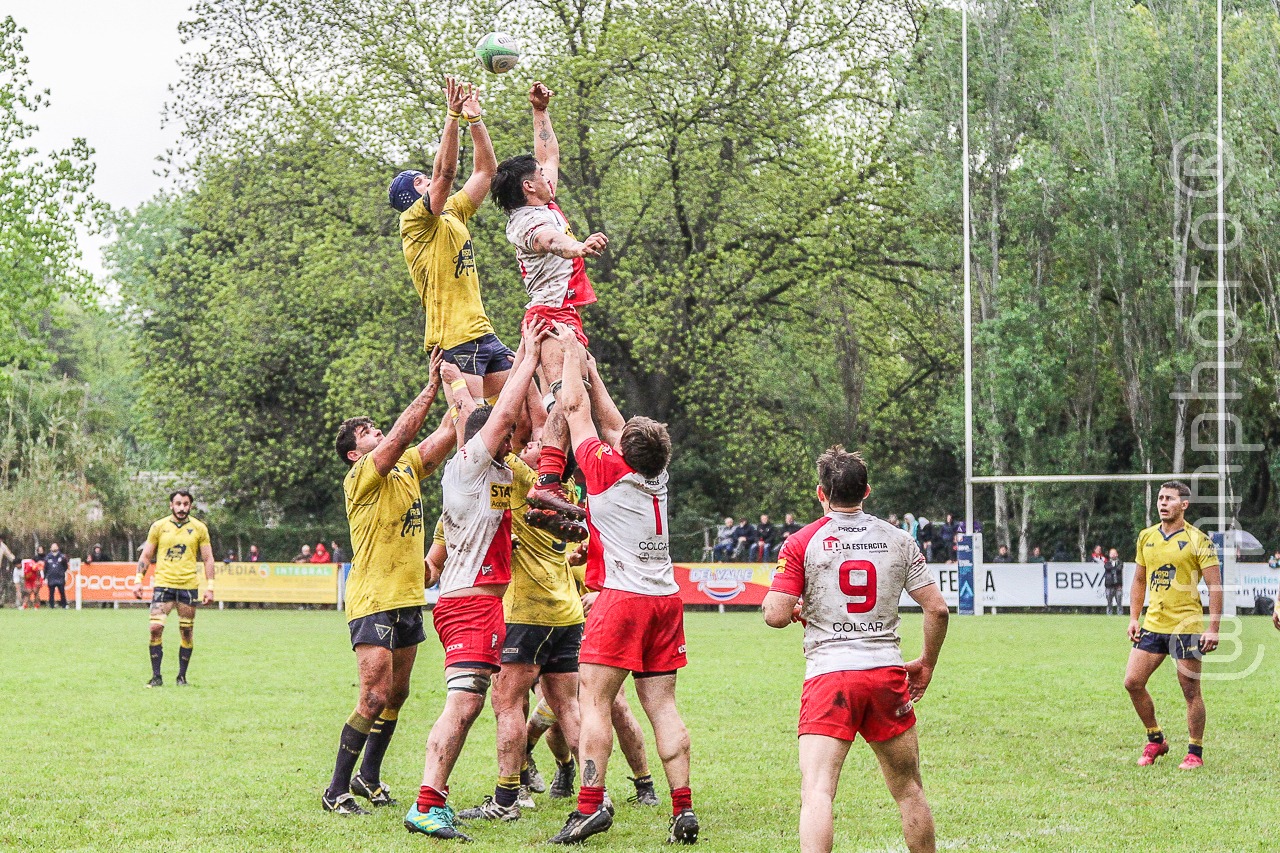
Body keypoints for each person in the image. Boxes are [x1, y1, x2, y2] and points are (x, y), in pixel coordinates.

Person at [544, 325, 698, 845]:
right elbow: (614, 423)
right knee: (663, 707)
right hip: (665, 600)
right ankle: (683, 808)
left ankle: (589, 806)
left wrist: (569, 356)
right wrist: (593, 370)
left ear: (624, 449)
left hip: (622, 601)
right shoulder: (659, 475)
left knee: (594, 704)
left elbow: (575, 412)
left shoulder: (606, 472)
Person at [762, 446, 949, 853]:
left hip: (830, 675)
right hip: (885, 673)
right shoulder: (899, 539)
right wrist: (927, 664)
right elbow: (937, 608)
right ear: (867, 491)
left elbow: (775, 615)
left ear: (820, 493)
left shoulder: (802, 541)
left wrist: (794, 604)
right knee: (909, 791)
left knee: (818, 792)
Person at [403, 321, 545, 842]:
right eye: (509, 436)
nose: (518, 439)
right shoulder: (468, 467)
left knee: (471, 703)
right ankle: (426, 802)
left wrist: (453, 376)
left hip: (482, 606)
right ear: (490, 438)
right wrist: (526, 355)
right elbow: (499, 413)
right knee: (462, 704)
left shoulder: (500, 473)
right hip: (466, 604)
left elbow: (512, 415)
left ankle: (432, 801)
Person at [323, 349, 456, 816]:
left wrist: (468, 387)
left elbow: (447, 434)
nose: (376, 431)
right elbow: (402, 435)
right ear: (354, 454)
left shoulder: (406, 468)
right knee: (373, 695)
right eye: (366, 433)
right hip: (372, 599)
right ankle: (335, 788)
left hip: (407, 598)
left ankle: (368, 777)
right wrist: (431, 387)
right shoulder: (361, 476)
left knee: (397, 695)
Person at [453, 422, 590, 823]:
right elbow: (553, 426)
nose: (530, 443)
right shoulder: (564, 492)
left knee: (507, 702)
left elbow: (478, 433)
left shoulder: (516, 476)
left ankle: (506, 799)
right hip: (567, 612)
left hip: (526, 611)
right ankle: (593, 794)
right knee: (568, 707)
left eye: (536, 444)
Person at [490, 81, 608, 524]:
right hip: (549, 319)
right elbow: (552, 241)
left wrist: (539, 111)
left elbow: (550, 155)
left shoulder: (542, 197)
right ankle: (548, 484)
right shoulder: (526, 222)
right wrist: (579, 248)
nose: (546, 174)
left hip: (564, 316)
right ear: (528, 186)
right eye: (538, 175)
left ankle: (561, 494)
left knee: (586, 397)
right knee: (565, 401)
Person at [389, 76, 504, 404]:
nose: (431, 180)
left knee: (523, 413)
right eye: (421, 181)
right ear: (412, 196)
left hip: (482, 331)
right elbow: (446, 174)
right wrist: (452, 116)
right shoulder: (413, 222)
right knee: (473, 426)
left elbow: (486, 172)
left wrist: (475, 120)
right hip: (453, 340)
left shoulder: (452, 212)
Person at [1124, 481, 1222, 770]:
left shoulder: (1198, 540)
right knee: (1132, 682)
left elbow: (1214, 587)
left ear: (1184, 505)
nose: (1163, 503)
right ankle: (1155, 739)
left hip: (1186, 626)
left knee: (1190, 691)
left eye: (1169, 498)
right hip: (1153, 623)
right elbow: (1140, 580)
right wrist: (1133, 617)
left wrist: (1213, 628)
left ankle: (1195, 751)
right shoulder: (1146, 537)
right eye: (1160, 498)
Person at [134, 489, 216, 687]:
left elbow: (208, 558)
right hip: (163, 585)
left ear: (190, 506)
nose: (182, 508)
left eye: (185, 504)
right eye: (178, 504)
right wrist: (138, 579)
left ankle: (182, 677)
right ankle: (156, 677)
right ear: (171, 505)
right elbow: (146, 556)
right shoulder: (159, 526)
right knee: (155, 628)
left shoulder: (199, 528)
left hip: (188, 586)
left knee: (186, 632)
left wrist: (210, 586)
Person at [42, 542, 69, 608]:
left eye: (55, 546)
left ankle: (64, 605)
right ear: (50, 548)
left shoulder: (62, 557)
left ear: (57, 548)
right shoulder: (47, 557)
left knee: (62, 592)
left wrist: (62, 572)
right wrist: (45, 577)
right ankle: (51, 606)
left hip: (60, 577)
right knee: (51, 593)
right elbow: (45, 568)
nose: (54, 548)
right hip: (51, 577)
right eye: (53, 547)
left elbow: (65, 566)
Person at [1103, 548, 1125, 616]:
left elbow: (1119, 568)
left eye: (1114, 553)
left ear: (1117, 554)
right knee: (1109, 601)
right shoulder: (1107, 563)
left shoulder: (1120, 563)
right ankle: (1109, 613)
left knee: (1119, 601)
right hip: (1109, 585)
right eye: (1111, 553)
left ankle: (1120, 613)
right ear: (1109, 555)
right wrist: (1114, 568)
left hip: (1118, 585)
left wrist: (1113, 569)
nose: (1113, 555)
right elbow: (1107, 568)